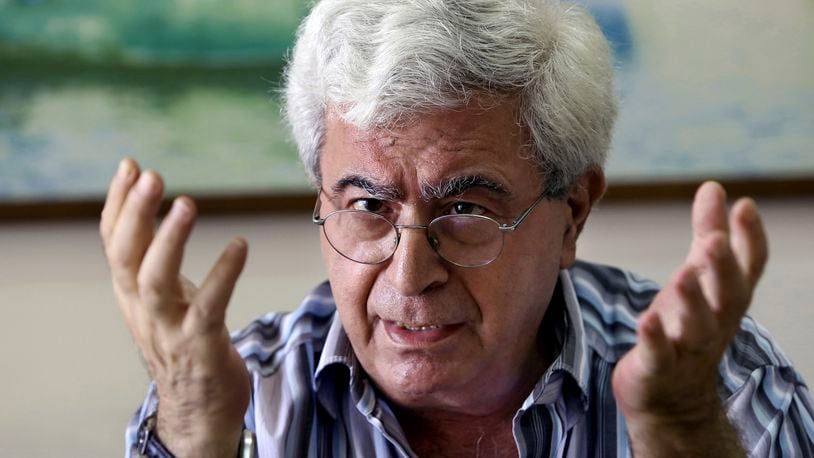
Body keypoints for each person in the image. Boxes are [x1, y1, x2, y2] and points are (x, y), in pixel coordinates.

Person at [101, 0, 814, 456]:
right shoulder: (235, 390)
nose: (410, 274)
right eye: (368, 206)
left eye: (466, 209)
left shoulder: (712, 382)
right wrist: (196, 432)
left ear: (573, 215)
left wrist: (681, 436)